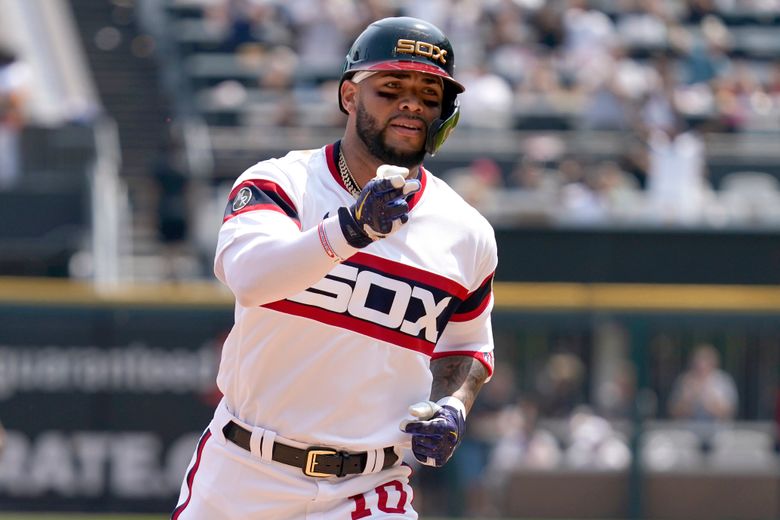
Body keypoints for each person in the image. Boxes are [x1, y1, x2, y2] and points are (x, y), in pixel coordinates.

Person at [172, 17, 497, 519]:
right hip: (244, 473)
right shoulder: (281, 182)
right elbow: (249, 276)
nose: (412, 103)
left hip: (370, 488)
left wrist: (454, 405)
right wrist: (348, 231)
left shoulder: (466, 232)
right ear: (350, 95)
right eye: (391, 88)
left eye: (429, 93)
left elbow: (467, 345)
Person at [668, 343, 737, 422]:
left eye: (706, 361)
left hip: (718, 430)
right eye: (698, 362)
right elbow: (674, 412)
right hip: (688, 430)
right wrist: (690, 398)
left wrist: (707, 399)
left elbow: (728, 412)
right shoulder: (684, 380)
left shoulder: (723, 380)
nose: (701, 366)